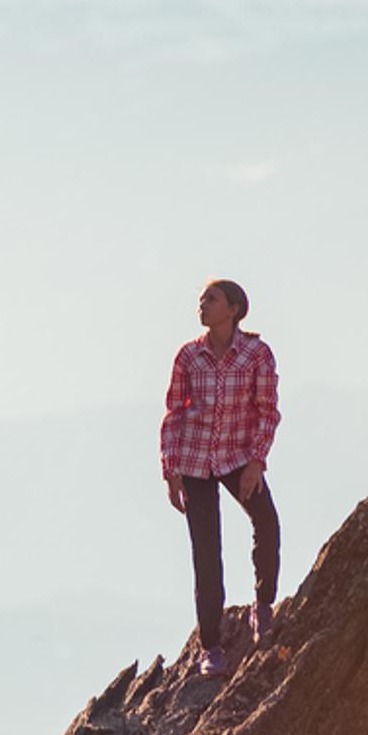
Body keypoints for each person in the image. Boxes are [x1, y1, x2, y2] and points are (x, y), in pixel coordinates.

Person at [160, 278, 281, 678]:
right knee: (206, 554)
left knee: (266, 521)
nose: (202, 305)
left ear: (233, 309)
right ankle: (211, 648)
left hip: (237, 457)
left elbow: (267, 411)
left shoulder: (256, 355)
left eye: (211, 300)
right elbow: (174, 413)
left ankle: (262, 607)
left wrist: (256, 463)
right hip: (194, 461)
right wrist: (171, 472)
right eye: (201, 300)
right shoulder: (189, 357)